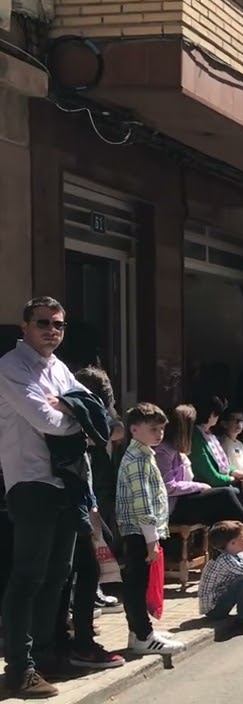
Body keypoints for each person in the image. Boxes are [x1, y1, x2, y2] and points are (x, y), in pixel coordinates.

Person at [0, 297, 96, 696]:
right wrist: (77, 414)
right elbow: (48, 420)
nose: (52, 330)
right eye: (43, 323)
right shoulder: (10, 367)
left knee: (58, 576)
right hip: (31, 482)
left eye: (59, 324)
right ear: (25, 326)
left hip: (66, 484)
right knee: (28, 576)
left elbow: (97, 411)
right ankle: (19, 667)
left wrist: (76, 410)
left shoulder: (59, 369)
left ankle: (45, 654)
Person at [116, 403, 187, 656]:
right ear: (134, 430)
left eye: (161, 429)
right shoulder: (137, 459)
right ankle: (143, 635)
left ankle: (139, 632)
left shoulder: (145, 454)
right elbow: (142, 501)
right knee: (136, 585)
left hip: (142, 531)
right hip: (138, 532)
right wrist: (151, 540)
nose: (159, 434)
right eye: (153, 429)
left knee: (139, 583)